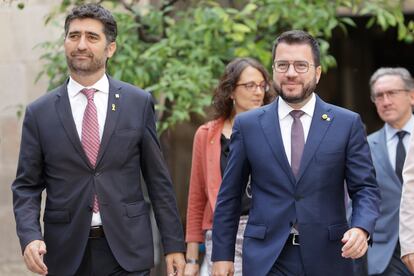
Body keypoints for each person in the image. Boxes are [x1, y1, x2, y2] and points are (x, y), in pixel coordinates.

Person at [11, 3, 185, 276]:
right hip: (64, 253)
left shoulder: (137, 103)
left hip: (127, 251)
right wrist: (30, 236)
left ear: (110, 48)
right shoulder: (39, 113)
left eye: (92, 37)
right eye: (74, 35)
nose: (81, 44)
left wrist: (174, 245)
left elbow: (158, 180)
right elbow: (26, 187)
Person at [210, 30, 381, 276]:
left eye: (301, 65)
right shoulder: (249, 125)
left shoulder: (346, 123)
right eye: (283, 65)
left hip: (330, 256)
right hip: (267, 258)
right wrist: (222, 255)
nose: (290, 73)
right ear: (274, 71)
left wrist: (362, 228)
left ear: (318, 73)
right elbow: (229, 195)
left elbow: (365, 188)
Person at [184, 57, 275, 276]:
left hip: (267, 231)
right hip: (224, 232)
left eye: (262, 85)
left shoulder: (275, 130)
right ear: (231, 91)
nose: (258, 92)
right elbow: (197, 199)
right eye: (249, 85)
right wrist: (191, 259)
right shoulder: (207, 135)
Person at [366, 68, 414, 276]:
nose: (385, 101)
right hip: (385, 255)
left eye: (392, 93)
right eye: (379, 96)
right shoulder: (364, 146)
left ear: (412, 96)